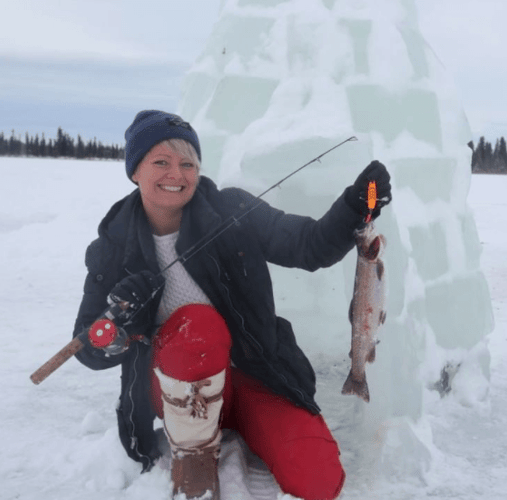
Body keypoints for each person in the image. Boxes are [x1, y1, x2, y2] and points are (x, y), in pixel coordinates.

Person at [72, 110, 391, 500]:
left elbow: (307, 245)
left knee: (318, 480)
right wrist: (117, 317)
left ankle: (243, 423)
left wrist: (355, 207)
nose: (176, 174)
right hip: (175, 391)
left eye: (187, 163)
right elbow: (89, 347)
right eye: (161, 162)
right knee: (198, 324)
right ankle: (193, 451)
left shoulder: (233, 211)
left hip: (253, 376)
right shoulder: (111, 249)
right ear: (135, 170)